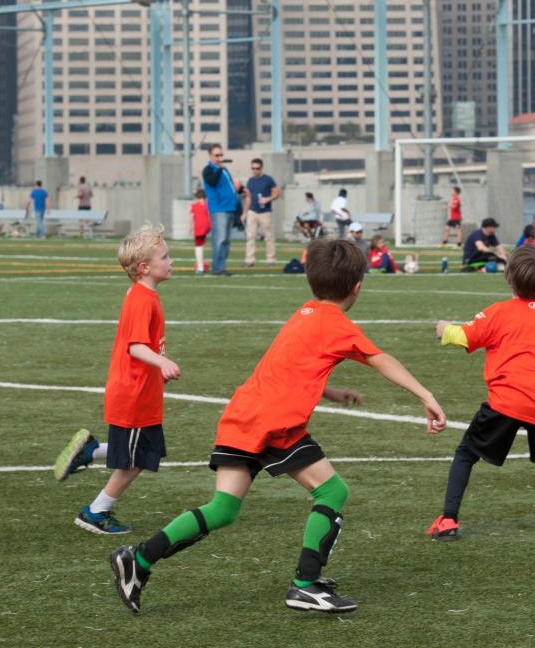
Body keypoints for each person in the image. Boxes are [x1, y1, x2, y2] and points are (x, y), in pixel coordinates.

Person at [108, 238, 447, 616]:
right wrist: (426, 395)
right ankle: (305, 585)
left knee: (222, 509)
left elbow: (292, 366)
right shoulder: (337, 323)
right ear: (357, 287)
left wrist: (329, 390)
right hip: (273, 427)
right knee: (332, 491)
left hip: (243, 416)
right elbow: (380, 359)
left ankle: (138, 559)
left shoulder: (305, 312)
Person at [428, 246, 535, 541]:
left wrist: (443, 329)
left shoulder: (499, 312)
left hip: (507, 402)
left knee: (466, 452)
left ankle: (448, 520)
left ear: (509, 278)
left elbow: (464, 335)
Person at [54, 225, 179, 535]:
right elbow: (135, 346)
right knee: (135, 459)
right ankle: (95, 511)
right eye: (165, 256)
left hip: (142, 390)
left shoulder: (145, 295)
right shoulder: (141, 299)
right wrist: (161, 361)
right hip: (133, 393)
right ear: (144, 268)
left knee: (141, 453)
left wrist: (157, 369)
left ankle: (90, 452)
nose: (172, 261)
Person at [202, 145, 242, 276]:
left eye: (221, 155)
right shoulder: (209, 170)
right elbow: (212, 182)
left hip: (230, 207)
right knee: (220, 239)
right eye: (217, 155)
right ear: (210, 156)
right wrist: (220, 169)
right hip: (219, 208)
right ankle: (217, 268)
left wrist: (241, 191)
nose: (220, 158)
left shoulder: (224, 170)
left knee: (226, 240)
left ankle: (221, 266)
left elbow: (230, 187)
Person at [244, 158, 281, 268]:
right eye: (253, 168)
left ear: (261, 168)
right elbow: (248, 197)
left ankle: (271, 260)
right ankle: (249, 260)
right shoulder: (250, 181)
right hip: (252, 211)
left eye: (257, 168)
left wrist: (268, 199)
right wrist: (245, 212)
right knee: (250, 236)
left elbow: (277, 192)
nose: (255, 170)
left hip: (265, 212)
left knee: (268, 237)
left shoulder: (268, 179)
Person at [190, 188, 210, 275]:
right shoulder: (207, 205)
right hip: (207, 226)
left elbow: (191, 217)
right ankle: (203, 263)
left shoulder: (194, 205)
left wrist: (190, 227)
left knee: (198, 246)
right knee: (202, 244)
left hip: (198, 227)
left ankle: (200, 267)